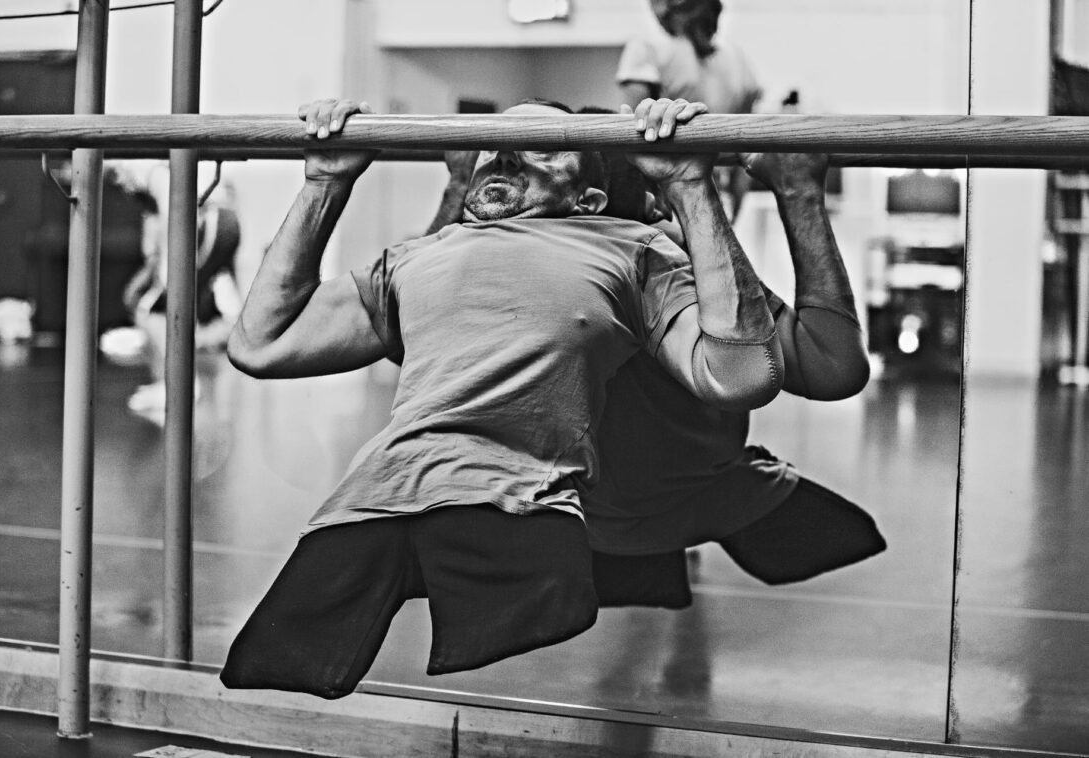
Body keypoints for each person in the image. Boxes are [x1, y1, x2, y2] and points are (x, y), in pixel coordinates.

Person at [219, 96, 783, 700]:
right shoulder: (415, 257)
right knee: (275, 666)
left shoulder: (628, 248)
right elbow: (261, 342)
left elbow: (743, 372)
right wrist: (325, 183)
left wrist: (690, 187)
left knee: (535, 594)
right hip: (369, 500)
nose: (504, 153)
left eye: (539, 144)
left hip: (517, 506)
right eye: (492, 145)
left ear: (587, 198)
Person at [428, 101, 885, 609]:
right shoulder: (659, 250)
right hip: (676, 501)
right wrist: (798, 190)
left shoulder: (516, 258)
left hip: (581, 512)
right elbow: (833, 367)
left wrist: (456, 185)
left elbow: (411, 339)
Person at [107, 160, 242, 418]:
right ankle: (172, 384)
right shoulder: (141, 179)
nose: (121, 187)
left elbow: (170, 203)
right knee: (150, 303)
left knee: (147, 305)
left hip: (209, 223)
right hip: (217, 223)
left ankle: (178, 386)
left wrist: (169, 266)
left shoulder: (140, 168)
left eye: (117, 180)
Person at [618, 0, 761, 220]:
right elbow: (749, 152)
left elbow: (632, 133)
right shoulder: (738, 60)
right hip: (698, 197)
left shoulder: (648, 49)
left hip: (679, 198)